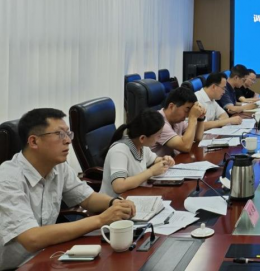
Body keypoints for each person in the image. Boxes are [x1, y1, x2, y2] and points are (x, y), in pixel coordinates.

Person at [0, 109, 136, 270]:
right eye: (59, 134)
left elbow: (88, 198)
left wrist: (115, 203)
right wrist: (101, 220)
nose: (68, 141)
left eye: (68, 134)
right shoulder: (7, 179)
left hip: (47, 255)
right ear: (34, 141)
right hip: (16, 266)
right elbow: (32, 238)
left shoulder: (58, 167)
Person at [100, 110, 175, 198]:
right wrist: (151, 171)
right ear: (142, 138)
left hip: (135, 196)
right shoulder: (119, 151)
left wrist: (164, 160)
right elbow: (118, 186)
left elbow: (154, 160)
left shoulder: (142, 146)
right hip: (114, 203)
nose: (160, 137)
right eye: (158, 135)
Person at [151, 86, 206, 157]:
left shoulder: (178, 120)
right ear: (171, 106)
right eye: (187, 109)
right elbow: (186, 147)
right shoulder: (158, 122)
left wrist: (201, 117)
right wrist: (193, 117)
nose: (188, 115)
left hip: (173, 160)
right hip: (159, 163)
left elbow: (198, 137)